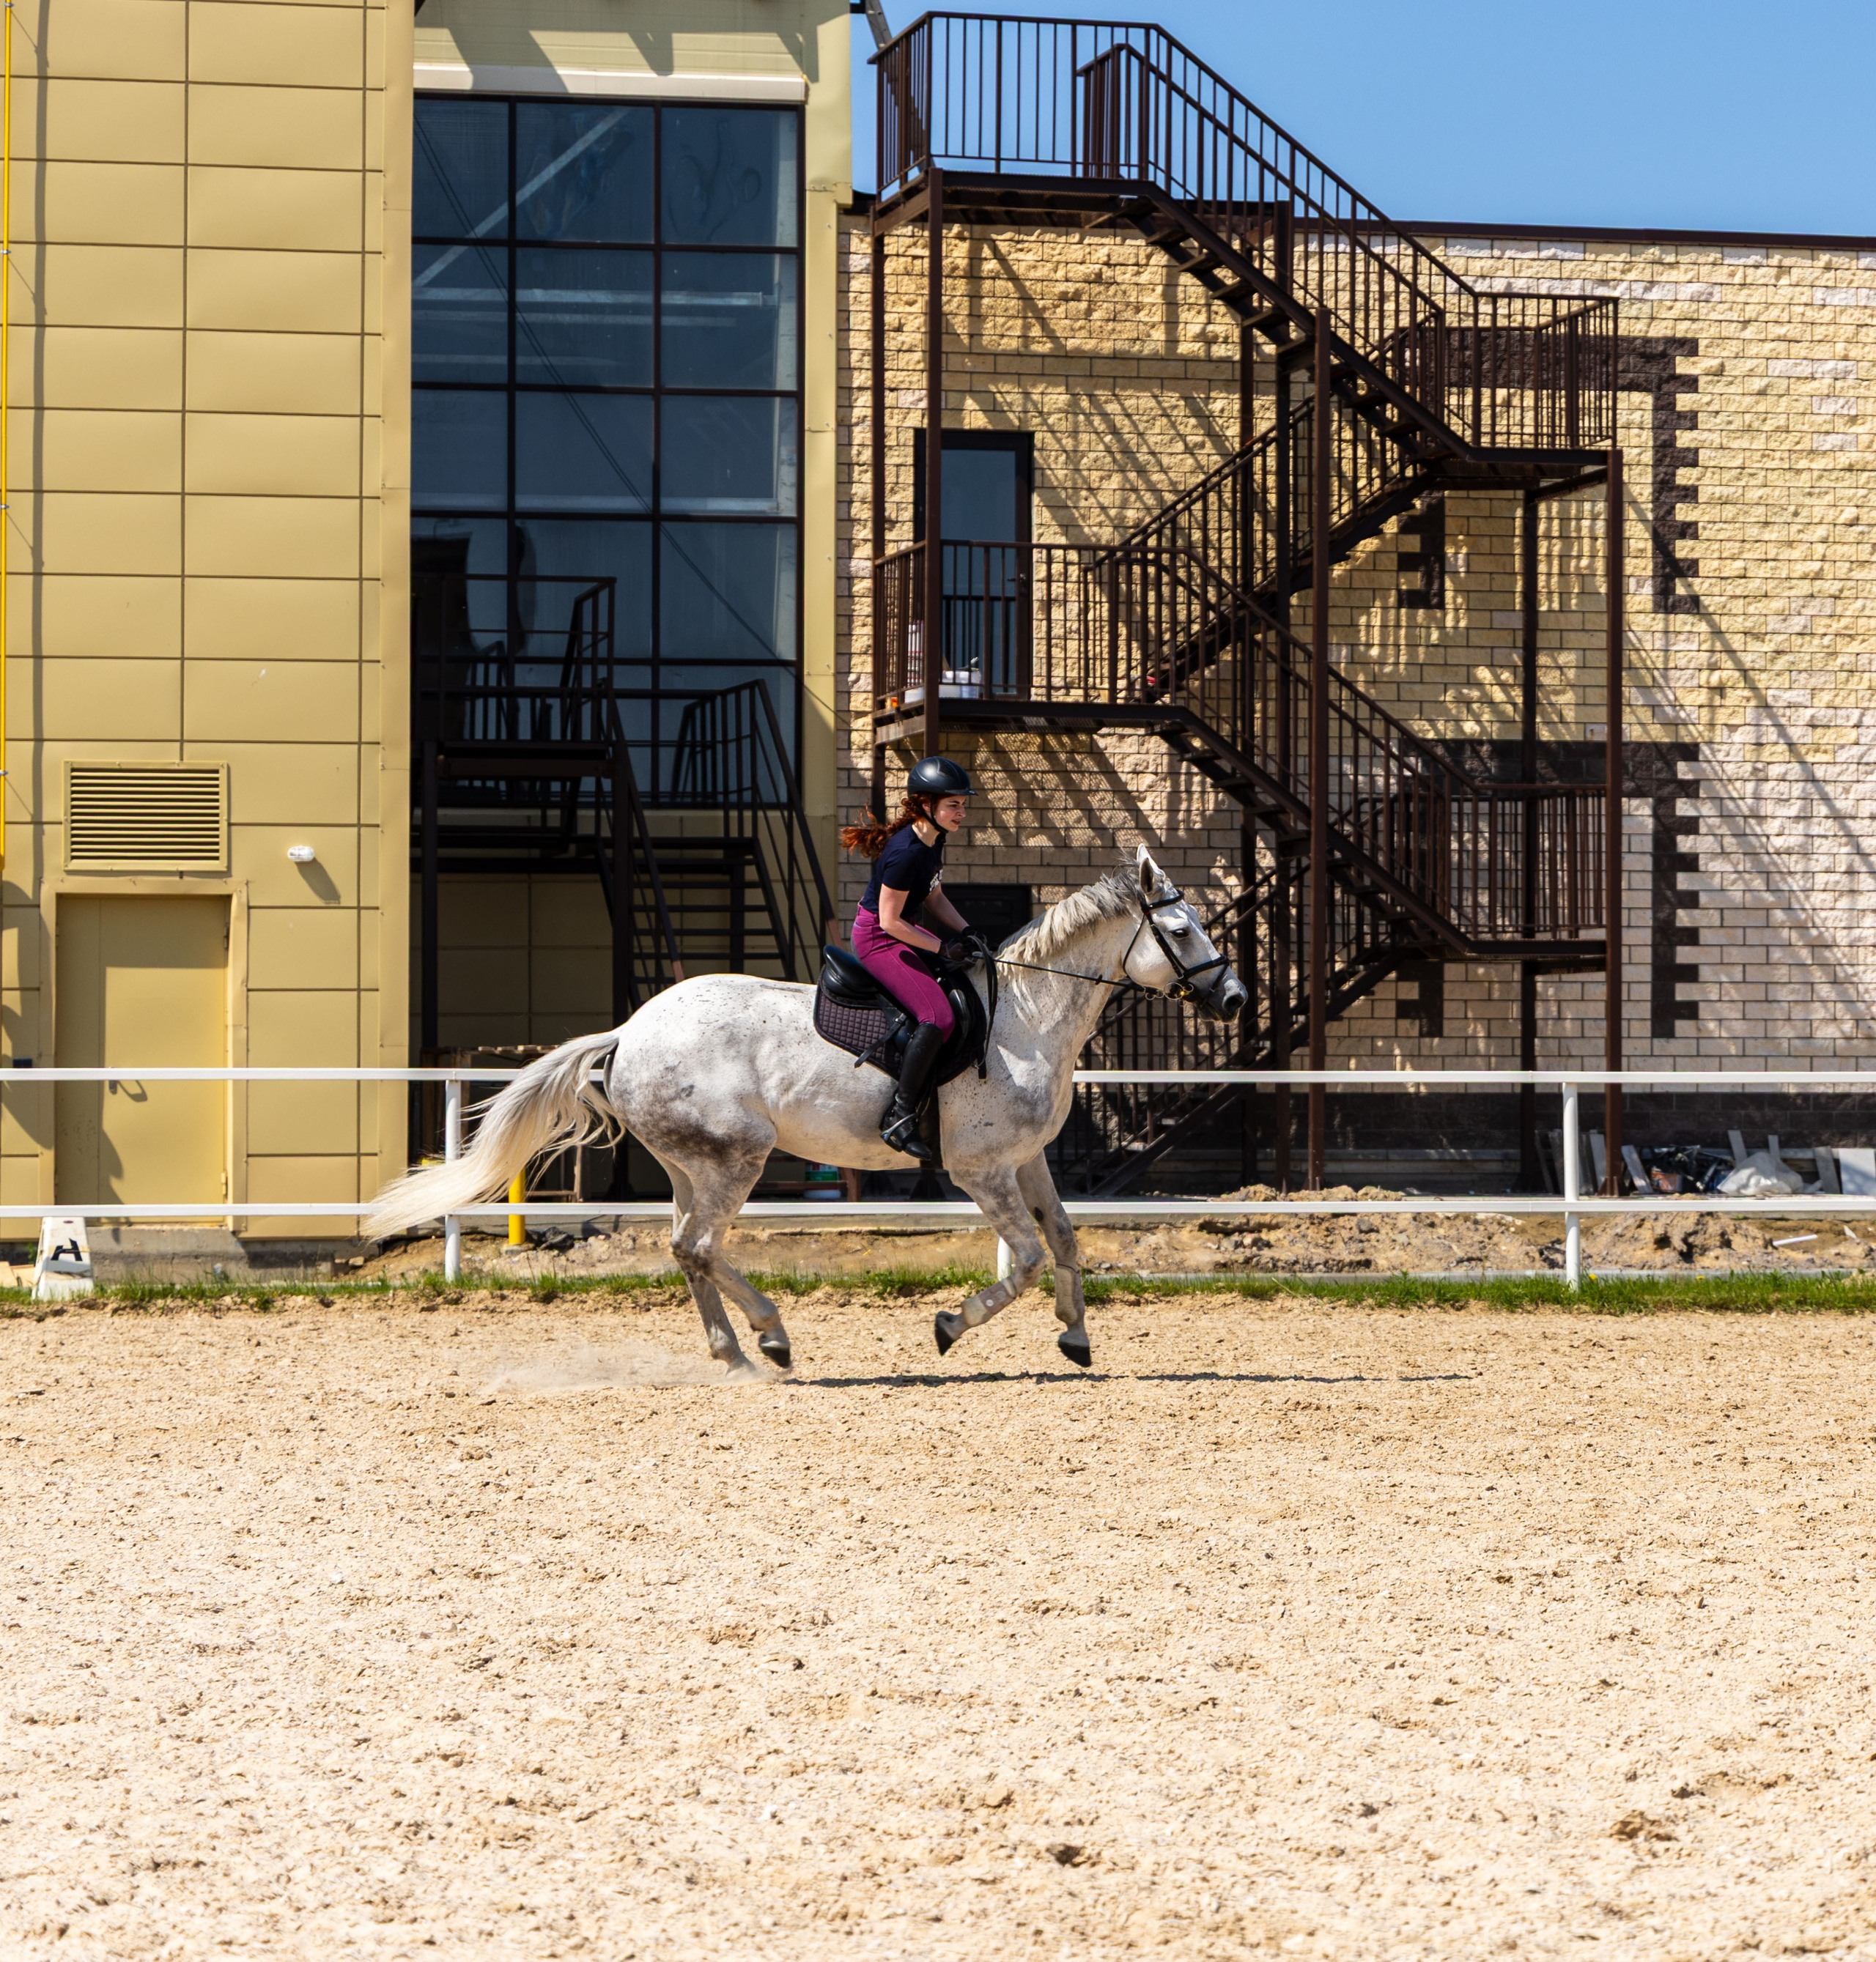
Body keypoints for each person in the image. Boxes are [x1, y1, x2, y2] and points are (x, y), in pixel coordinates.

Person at [840, 756, 977, 1160]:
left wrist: (965, 930)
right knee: (939, 1017)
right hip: (879, 939)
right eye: (954, 805)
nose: (961, 812)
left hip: (904, 931)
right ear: (925, 806)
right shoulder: (905, 853)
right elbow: (890, 921)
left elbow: (932, 895)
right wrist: (941, 947)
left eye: (961, 804)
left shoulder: (933, 841)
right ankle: (899, 1117)